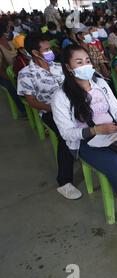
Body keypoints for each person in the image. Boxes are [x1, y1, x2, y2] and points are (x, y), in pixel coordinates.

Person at [51, 44, 117, 222]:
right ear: (69, 68)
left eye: (87, 61)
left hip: (114, 132)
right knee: (114, 166)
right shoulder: (61, 96)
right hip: (87, 141)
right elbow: (67, 134)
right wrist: (95, 130)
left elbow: (116, 109)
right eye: (79, 62)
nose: (86, 65)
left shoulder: (100, 83)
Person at [17, 34, 81, 199]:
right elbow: (31, 101)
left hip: (72, 107)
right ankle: (64, 181)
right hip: (49, 111)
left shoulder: (58, 66)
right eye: (46, 49)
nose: (50, 52)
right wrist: (57, 109)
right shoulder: (26, 74)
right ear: (35, 52)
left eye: (49, 48)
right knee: (65, 136)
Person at [0, 21, 26, 115]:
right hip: (4, 75)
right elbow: (1, 70)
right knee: (12, 87)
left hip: (16, 71)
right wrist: (12, 78)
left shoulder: (10, 43)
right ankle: (23, 109)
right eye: (8, 29)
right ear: (3, 33)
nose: (10, 31)